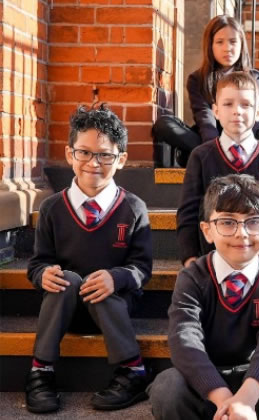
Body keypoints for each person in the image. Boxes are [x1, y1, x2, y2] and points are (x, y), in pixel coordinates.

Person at [148, 174, 259, 420]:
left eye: (253, 222)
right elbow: (184, 339)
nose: (242, 233)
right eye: (227, 222)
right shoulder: (193, 277)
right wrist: (225, 400)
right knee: (167, 386)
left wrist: (246, 400)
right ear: (207, 230)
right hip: (207, 384)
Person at [25, 105, 153, 413]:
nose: (93, 163)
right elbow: (37, 263)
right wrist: (43, 274)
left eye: (105, 155)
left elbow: (142, 268)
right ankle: (40, 371)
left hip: (113, 305)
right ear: (70, 155)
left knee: (101, 280)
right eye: (84, 152)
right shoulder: (53, 208)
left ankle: (133, 370)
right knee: (68, 280)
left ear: (120, 159)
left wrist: (116, 278)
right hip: (64, 307)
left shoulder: (133, 208)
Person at [176, 71, 259, 268]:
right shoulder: (200, 156)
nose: (237, 111)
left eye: (246, 105)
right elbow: (187, 212)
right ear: (215, 111)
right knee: (207, 202)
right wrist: (190, 258)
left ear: (258, 112)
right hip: (214, 255)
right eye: (228, 104)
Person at [152, 15, 259, 167]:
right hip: (210, 137)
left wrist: (239, 146)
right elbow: (204, 116)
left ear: (241, 44)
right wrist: (217, 148)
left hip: (247, 137)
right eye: (220, 42)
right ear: (210, 45)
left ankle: (232, 157)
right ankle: (215, 157)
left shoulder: (254, 78)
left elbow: (252, 119)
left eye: (233, 41)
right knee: (164, 125)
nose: (227, 48)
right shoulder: (198, 78)